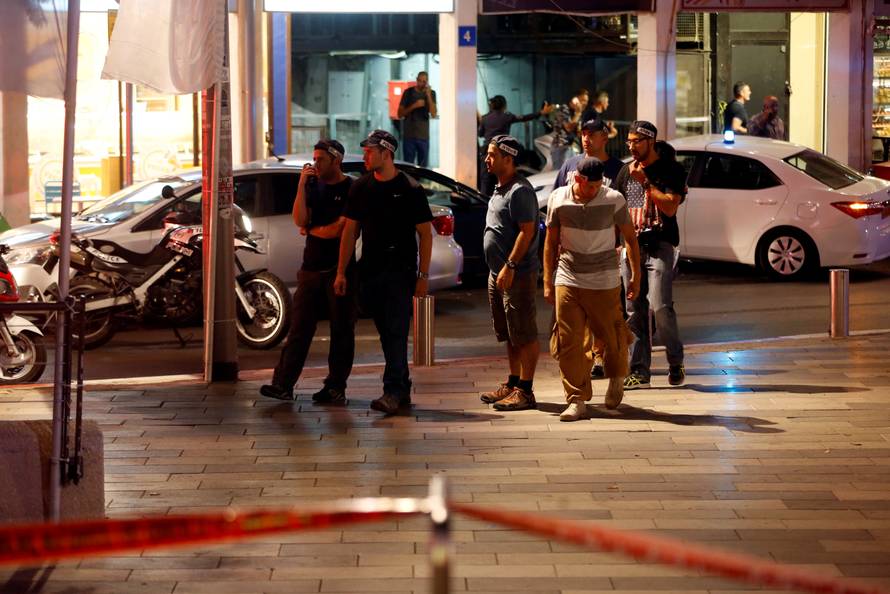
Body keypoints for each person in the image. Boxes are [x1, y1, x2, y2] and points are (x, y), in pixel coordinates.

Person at [334, 130, 434, 415]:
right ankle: (402, 386)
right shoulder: (361, 187)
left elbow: (426, 234)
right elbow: (350, 231)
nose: (365, 156)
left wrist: (422, 277)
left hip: (400, 270)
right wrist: (341, 272)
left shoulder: (410, 188)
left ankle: (393, 390)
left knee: (396, 330)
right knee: (386, 333)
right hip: (371, 269)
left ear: (386, 153)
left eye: (370, 151)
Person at [544, 157, 640, 420]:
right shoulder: (558, 198)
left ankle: (617, 376)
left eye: (598, 186)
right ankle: (576, 399)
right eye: (590, 186)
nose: (594, 190)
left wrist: (635, 276)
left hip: (604, 279)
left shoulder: (613, 199)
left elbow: (630, 238)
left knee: (612, 335)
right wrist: (547, 281)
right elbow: (550, 242)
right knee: (569, 341)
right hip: (568, 276)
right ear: (578, 179)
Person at [261, 140, 356, 403]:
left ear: (336, 160)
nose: (316, 164)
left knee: (341, 330)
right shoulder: (313, 185)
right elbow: (300, 220)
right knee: (299, 328)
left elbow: (339, 229)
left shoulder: (351, 188)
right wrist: (302, 184)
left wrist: (312, 230)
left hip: (339, 268)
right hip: (310, 267)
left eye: (321, 159)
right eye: (314, 158)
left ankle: (335, 387)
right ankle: (283, 384)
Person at [613, 121, 687, 390]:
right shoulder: (625, 171)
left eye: (637, 141)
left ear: (651, 142)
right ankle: (639, 370)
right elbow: (617, 209)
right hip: (631, 248)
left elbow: (670, 208)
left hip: (660, 245)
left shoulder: (671, 170)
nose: (631, 146)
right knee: (633, 310)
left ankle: (675, 361)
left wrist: (645, 182)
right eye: (629, 141)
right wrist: (616, 244)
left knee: (660, 306)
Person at [551, 118, 625, 379]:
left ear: (605, 136)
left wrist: (621, 244)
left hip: (604, 254)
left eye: (592, 134)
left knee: (602, 315)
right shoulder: (570, 165)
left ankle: (601, 356)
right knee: (574, 315)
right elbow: (557, 203)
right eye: (583, 133)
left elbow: (624, 212)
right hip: (571, 256)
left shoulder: (617, 169)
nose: (586, 138)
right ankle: (581, 362)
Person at [479, 135, 541, 412]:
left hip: (516, 273)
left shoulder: (520, 191)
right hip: (498, 272)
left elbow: (527, 232)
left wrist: (510, 265)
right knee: (509, 332)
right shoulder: (499, 187)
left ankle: (525, 391)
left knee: (523, 332)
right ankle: (513, 382)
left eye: (492, 155)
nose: (487, 159)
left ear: (508, 159)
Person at [478, 95, 553, 195]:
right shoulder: (507, 116)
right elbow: (523, 118)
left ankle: (484, 201)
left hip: (487, 151)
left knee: (485, 180)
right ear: (504, 105)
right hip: (502, 152)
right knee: (503, 178)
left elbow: (480, 134)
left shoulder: (485, 118)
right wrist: (541, 113)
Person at [397, 71, 437, 167]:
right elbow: (399, 114)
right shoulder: (408, 93)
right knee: (408, 165)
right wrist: (414, 106)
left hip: (423, 136)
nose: (421, 83)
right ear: (416, 80)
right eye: (419, 81)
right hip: (409, 136)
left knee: (423, 167)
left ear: (427, 82)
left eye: (424, 81)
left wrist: (428, 95)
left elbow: (433, 114)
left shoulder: (432, 93)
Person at [549, 88, 588, 170]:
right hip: (561, 147)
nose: (585, 103)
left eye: (586, 101)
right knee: (562, 173)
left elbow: (578, 132)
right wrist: (578, 113)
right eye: (583, 100)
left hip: (571, 148)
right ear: (574, 100)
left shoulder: (576, 113)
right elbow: (568, 128)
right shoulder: (564, 109)